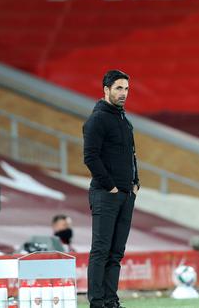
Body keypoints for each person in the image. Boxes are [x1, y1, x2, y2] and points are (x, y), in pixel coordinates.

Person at [83, 69, 139, 308]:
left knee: (116, 252)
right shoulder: (97, 119)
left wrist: (135, 183)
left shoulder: (123, 119)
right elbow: (90, 157)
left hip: (126, 194)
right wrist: (112, 187)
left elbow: (131, 155)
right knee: (101, 250)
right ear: (106, 90)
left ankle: (111, 301)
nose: (123, 93)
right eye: (118, 88)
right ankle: (97, 303)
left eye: (126, 88)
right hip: (106, 194)